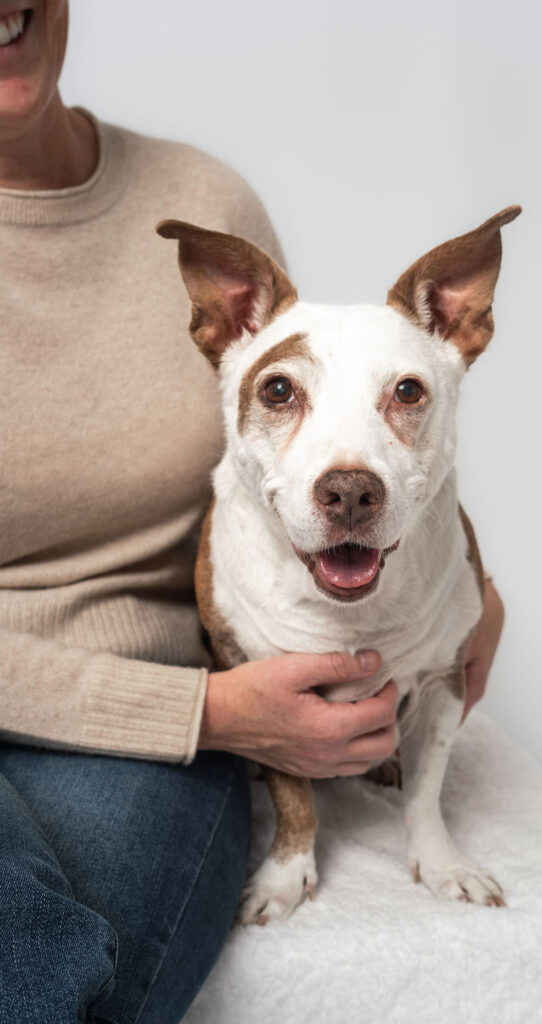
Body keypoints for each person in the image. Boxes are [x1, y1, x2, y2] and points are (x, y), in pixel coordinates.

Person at [0, 3, 504, 1021]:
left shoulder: (199, 198)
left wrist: (460, 584)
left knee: (42, 967)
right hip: (186, 710)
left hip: (168, 688)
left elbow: (343, 409)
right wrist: (210, 715)